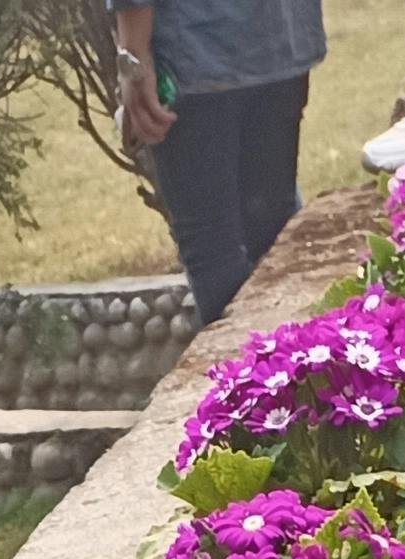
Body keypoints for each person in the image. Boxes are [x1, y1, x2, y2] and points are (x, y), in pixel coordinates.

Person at [113, 0, 325, 328]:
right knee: (275, 236)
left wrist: (133, 56)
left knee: (216, 248)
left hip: (197, 48)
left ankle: (253, 374)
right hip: (282, 39)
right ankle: (301, 372)